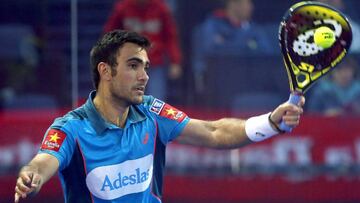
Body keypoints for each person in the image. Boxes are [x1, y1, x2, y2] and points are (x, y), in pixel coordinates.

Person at [14, 30, 304, 203]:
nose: (144, 76)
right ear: (105, 71)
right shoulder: (70, 129)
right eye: (133, 66)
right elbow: (43, 161)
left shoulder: (152, 111)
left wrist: (271, 122)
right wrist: (31, 176)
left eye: (147, 67)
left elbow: (214, 132)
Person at [103, 0, 182, 101]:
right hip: (129, 64)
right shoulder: (123, 7)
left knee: (155, 101)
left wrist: (175, 61)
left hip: (154, 62)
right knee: (129, 100)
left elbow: (170, 37)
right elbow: (110, 34)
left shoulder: (161, 8)